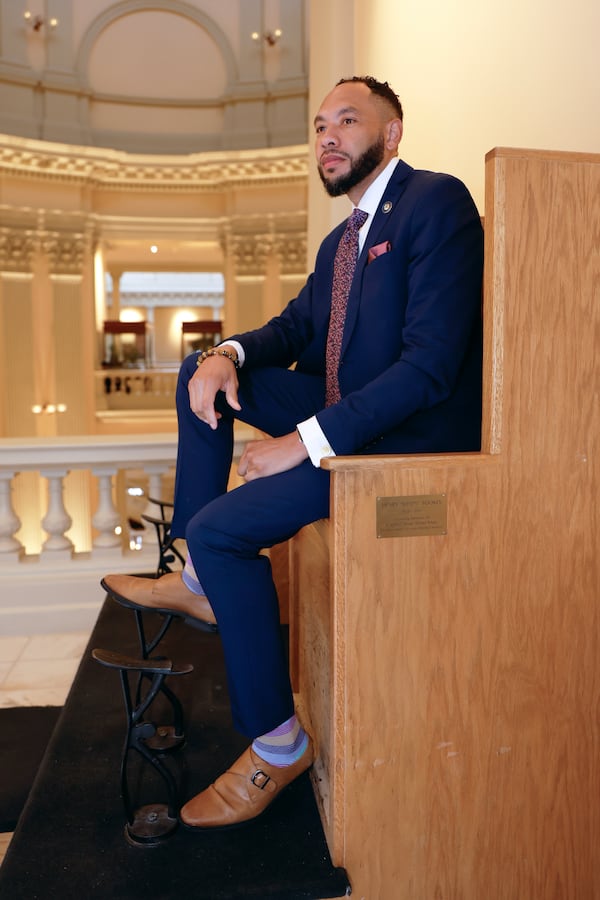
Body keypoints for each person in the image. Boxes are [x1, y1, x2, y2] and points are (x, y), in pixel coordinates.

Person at [102, 75, 483, 830]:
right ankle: (199, 576)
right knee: (199, 373)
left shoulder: (435, 204)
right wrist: (227, 352)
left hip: (402, 444)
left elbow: (432, 367)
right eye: (318, 126)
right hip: (348, 415)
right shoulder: (340, 240)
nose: (328, 137)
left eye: (347, 120)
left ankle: (278, 746)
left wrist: (302, 444)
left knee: (221, 527)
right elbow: (294, 328)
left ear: (393, 132)